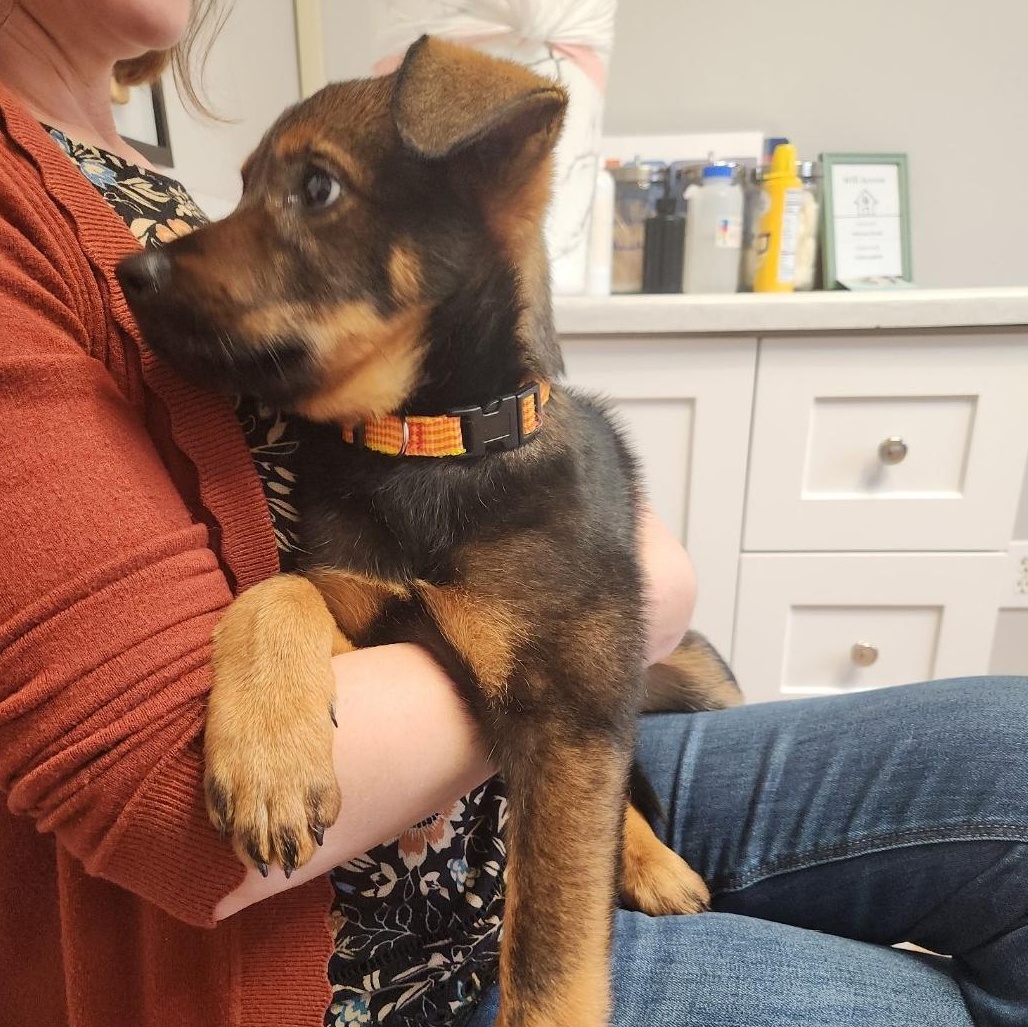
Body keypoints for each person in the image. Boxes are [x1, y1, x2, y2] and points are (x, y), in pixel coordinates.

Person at [0, 2, 1024, 1026]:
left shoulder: (125, 161)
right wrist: (615, 624)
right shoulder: (25, 212)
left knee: (1009, 747)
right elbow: (153, 795)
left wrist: (611, 625)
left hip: (511, 765)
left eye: (306, 191)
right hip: (395, 945)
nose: (192, 255)